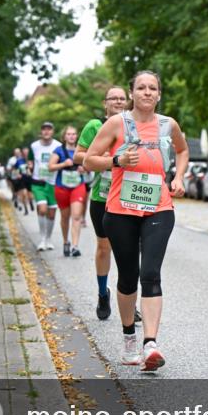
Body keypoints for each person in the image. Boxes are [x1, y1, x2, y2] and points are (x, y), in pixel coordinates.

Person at [85, 70, 188, 371]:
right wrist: (116, 160)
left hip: (159, 208)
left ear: (159, 94)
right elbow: (89, 159)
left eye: (152, 88)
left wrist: (179, 177)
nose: (146, 92)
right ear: (132, 93)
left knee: (151, 273)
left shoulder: (169, 125)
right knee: (128, 277)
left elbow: (182, 151)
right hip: (119, 211)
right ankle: (129, 336)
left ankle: (150, 344)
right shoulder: (116, 123)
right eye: (141, 87)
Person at [75, 85, 140, 322]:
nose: (118, 101)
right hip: (102, 197)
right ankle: (103, 293)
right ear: (105, 103)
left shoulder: (135, 125)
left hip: (129, 196)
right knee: (104, 248)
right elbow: (78, 156)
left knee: (129, 251)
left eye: (122, 98)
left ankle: (129, 301)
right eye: (113, 98)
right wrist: (110, 160)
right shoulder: (95, 126)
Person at [49, 125, 87, 257]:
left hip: (78, 186)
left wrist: (85, 169)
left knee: (76, 216)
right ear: (64, 136)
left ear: (77, 136)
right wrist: (63, 164)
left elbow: (90, 165)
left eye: (74, 134)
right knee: (65, 217)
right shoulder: (58, 150)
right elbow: (50, 167)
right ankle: (66, 242)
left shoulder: (81, 151)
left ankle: (75, 246)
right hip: (62, 187)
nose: (71, 136)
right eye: (69, 134)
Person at [28, 122, 62, 251]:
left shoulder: (58, 146)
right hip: (38, 182)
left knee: (52, 214)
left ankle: (48, 239)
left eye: (49, 129)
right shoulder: (34, 146)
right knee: (42, 209)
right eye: (44, 129)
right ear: (41, 132)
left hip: (53, 183)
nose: (46, 132)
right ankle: (42, 239)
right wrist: (30, 166)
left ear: (53, 131)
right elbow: (30, 160)